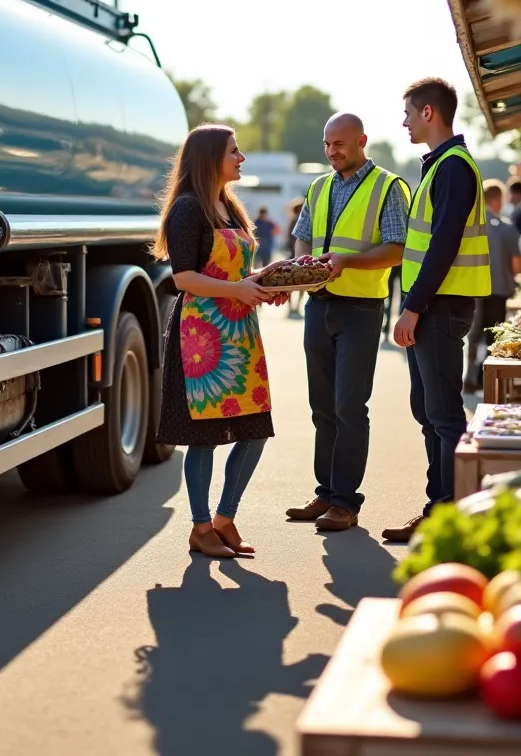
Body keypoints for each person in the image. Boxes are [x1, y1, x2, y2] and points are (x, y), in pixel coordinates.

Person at [153, 124, 277, 559]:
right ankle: (201, 527)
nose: (241, 159)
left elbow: (236, 274)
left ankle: (225, 518)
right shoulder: (188, 209)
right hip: (201, 338)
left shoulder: (230, 207)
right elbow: (182, 277)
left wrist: (266, 282)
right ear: (210, 159)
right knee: (203, 437)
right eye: (234, 151)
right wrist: (239, 290)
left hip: (240, 332)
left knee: (255, 429)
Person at [285, 113, 411, 532]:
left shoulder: (388, 187)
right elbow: (302, 235)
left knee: (349, 407)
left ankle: (345, 501)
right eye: (327, 144)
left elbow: (397, 250)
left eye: (339, 143)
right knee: (322, 407)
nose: (331, 151)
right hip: (317, 306)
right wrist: (305, 263)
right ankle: (326, 493)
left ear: (362, 141)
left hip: (360, 309)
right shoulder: (319, 186)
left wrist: (346, 263)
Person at [384, 78, 491, 543]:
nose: (403, 121)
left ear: (429, 113)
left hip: (439, 310)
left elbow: (443, 246)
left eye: (408, 112)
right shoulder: (442, 166)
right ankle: (438, 508)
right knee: (430, 412)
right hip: (435, 308)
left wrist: (412, 308)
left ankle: (448, 516)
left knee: (444, 415)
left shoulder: (451, 168)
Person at [463, 179, 521, 392]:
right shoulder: (506, 228)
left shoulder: (468, 226)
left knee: (474, 332)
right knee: (494, 334)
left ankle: (470, 376)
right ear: (497, 200)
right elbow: (517, 262)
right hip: (498, 289)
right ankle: (489, 381)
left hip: (472, 288)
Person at [284, 199, 306, 318]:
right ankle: (294, 308)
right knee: (295, 285)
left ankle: (293, 308)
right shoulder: (297, 221)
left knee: (290, 285)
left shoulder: (293, 221)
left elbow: (288, 239)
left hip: (293, 256)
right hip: (297, 256)